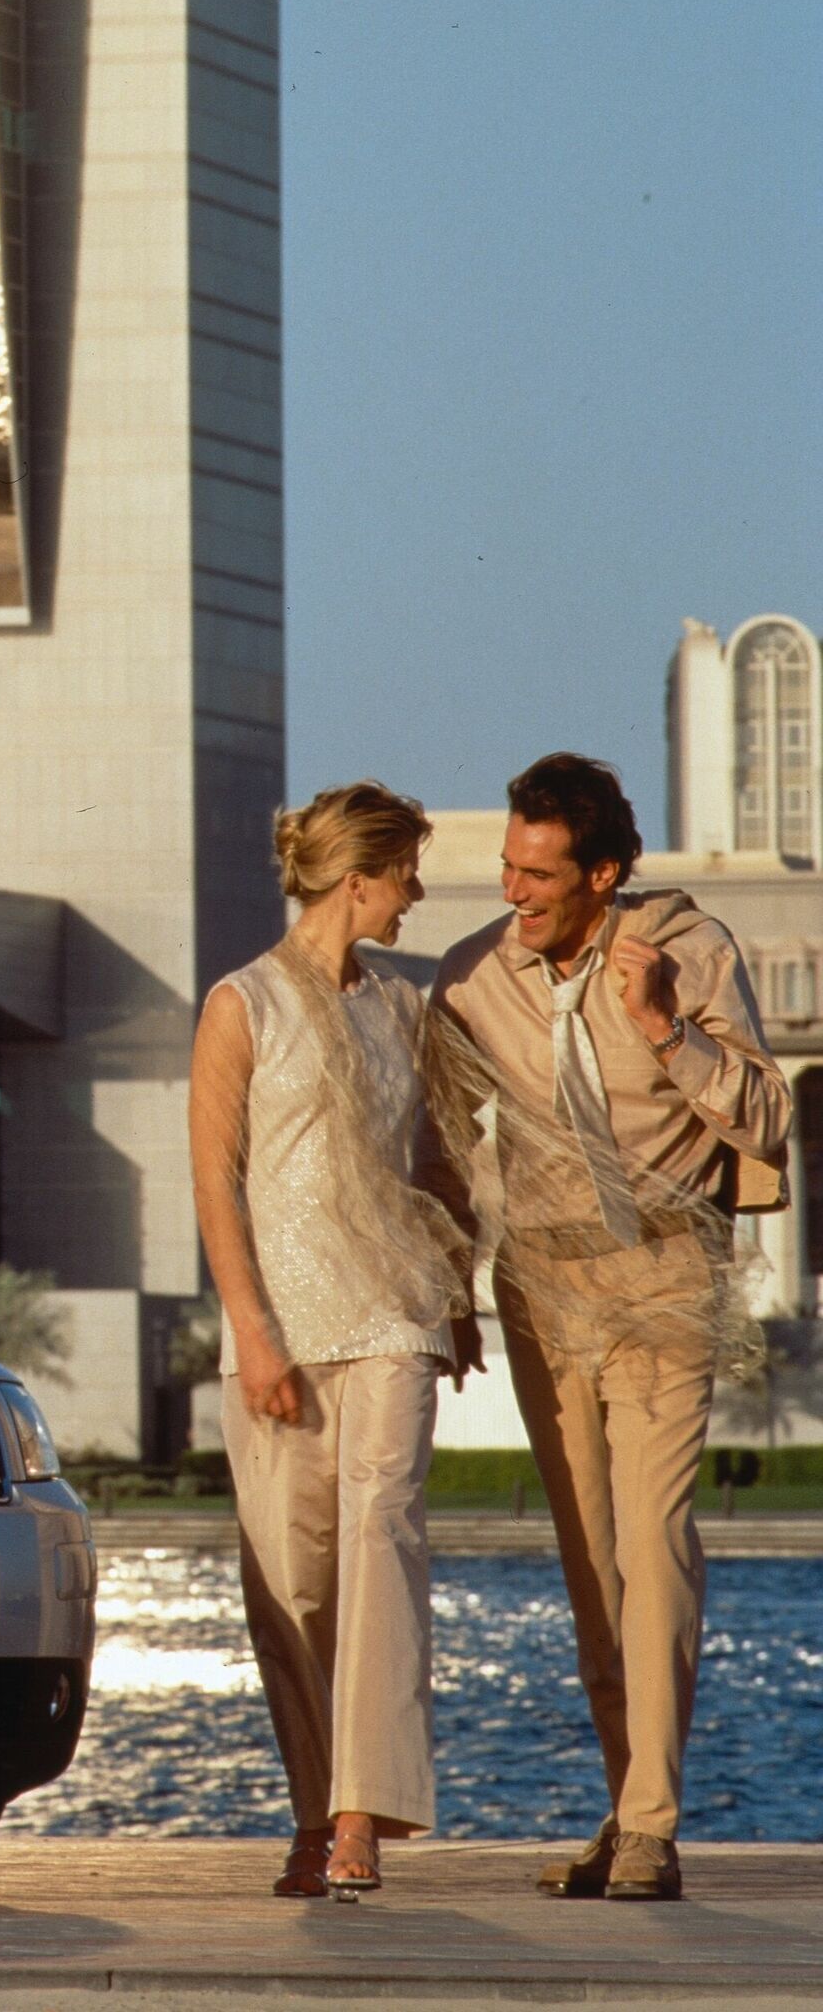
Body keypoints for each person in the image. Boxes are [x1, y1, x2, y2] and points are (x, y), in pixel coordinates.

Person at [423, 754, 788, 1904]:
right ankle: (629, 1809)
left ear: (605, 872)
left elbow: (772, 1115)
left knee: (653, 1541)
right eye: (507, 867)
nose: (514, 891)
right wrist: (448, 1292)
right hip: (540, 1293)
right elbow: (438, 1149)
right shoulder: (471, 979)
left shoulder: (689, 951)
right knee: (589, 1565)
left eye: (538, 873)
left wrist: (668, 1032)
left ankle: (650, 1826)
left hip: (667, 1278)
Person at [190, 783, 478, 1900]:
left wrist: (453, 1297)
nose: (416, 894)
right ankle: (315, 1806)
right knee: (294, 1585)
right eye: (407, 872)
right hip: (281, 1333)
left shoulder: (410, 1004)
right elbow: (217, 1182)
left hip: (396, 1315)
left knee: (384, 1538)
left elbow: (445, 1157)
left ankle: (361, 1815)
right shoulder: (241, 1003)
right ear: (358, 878)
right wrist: (253, 1333)